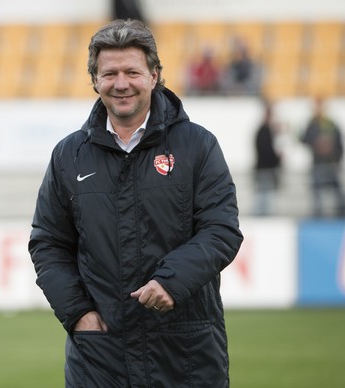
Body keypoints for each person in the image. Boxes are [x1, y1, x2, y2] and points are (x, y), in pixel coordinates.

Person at [28, 19, 243, 387]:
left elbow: (221, 230)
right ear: (94, 80)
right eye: (109, 73)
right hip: (99, 356)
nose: (121, 83)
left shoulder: (197, 146)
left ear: (155, 75)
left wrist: (171, 281)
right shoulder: (68, 155)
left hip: (187, 356)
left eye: (132, 71)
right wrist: (79, 314)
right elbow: (48, 243)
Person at [301, 97, 345, 217]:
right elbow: (304, 139)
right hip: (317, 164)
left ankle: (342, 213)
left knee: (337, 191)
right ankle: (318, 216)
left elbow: (339, 141)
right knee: (317, 194)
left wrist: (336, 156)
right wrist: (317, 144)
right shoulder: (311, 123)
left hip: (330, 163)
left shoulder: (330, 123)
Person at [253, 100, 282, 215]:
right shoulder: (264, 131)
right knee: (264, 196)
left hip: (265, 169)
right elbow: (266, 151)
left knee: (265, 195)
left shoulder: (265, 131)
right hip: (265, 169)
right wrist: (277, 158)